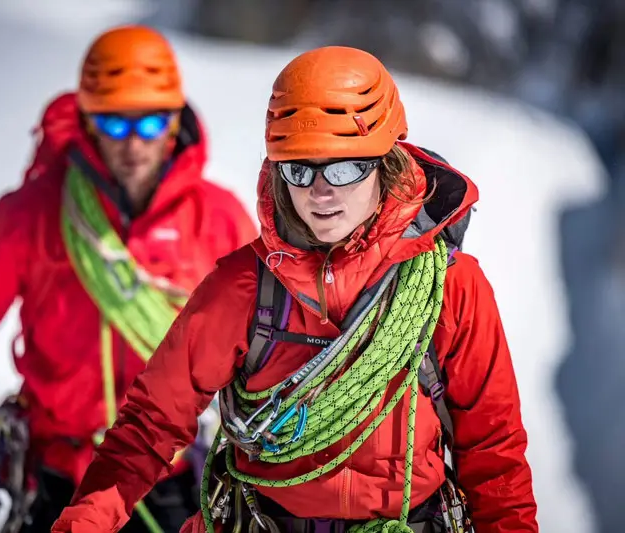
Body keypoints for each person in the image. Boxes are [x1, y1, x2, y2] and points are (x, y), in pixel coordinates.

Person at [50, 46, 539, 533]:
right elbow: (150, 425)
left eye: (344, 168)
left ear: (384, 162)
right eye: (300, 169)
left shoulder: (451, 287)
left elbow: (493, 454)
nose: (321, 192)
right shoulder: (244, 286)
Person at [0, 24, 257, 533]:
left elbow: (268, 341)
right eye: (113, 123)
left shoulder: (217, 219)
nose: (132, 144)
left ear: (175, 122)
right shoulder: (32, 214)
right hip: (60, 476)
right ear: (87, 120)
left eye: (149, 125)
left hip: (170, 476)